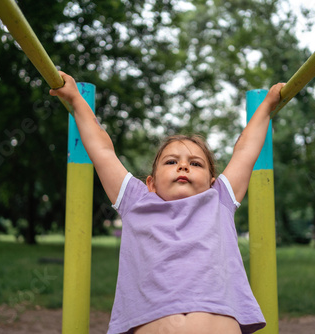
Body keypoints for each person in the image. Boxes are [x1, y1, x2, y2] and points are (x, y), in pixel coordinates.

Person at [50, 71, 284, 334]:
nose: (183, 166)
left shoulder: (219, 199)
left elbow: (245, 151)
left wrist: (266, 106)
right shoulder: (136, 202)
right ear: (150, 183)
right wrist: (76, 100)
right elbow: (103, 151)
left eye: (195, 163)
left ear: (211, 181)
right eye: (171, 162)